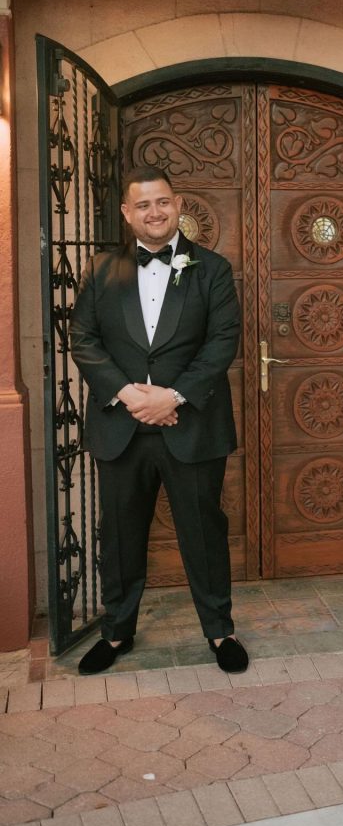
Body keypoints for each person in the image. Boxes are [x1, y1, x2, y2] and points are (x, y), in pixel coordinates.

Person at [70, 165, 249, 676]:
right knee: (120, 537)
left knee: (203, 533)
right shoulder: (102, 270)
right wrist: (129, 395)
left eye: (163, 202)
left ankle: (220, 631)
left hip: (191, 425)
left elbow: (221, 343)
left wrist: (172, 397)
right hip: (121, 426)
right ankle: (117, 632)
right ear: (128, 213)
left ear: (178, 204)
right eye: (143, 205)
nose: (155, 212)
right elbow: (83, 338)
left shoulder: (212, 268)